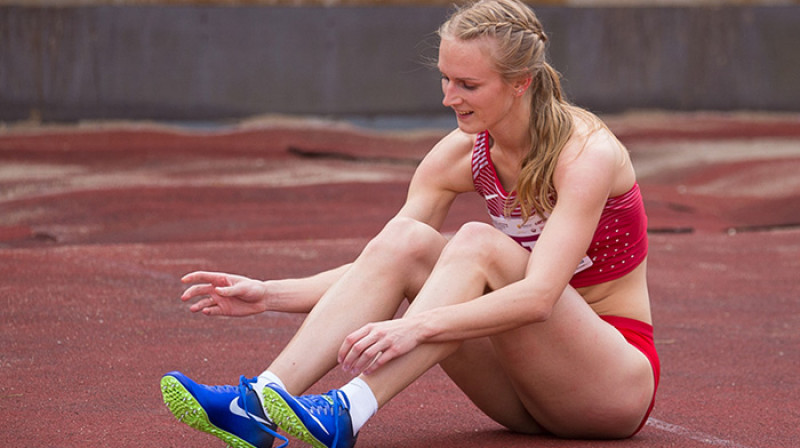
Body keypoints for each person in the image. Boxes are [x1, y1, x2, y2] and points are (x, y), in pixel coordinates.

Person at [159, 1, 659, 447]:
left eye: (468, 84)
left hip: (609, 386)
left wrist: (414, 326)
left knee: (476, 244)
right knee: (408, 240)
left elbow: (538, 298)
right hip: (523, 390)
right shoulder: (461, 155)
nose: (449, 97)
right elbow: (381, 264)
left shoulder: (584, 154)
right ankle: (262, 401)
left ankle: (348, 410)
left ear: (520, 82)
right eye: (445, 78)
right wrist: (271, 294)